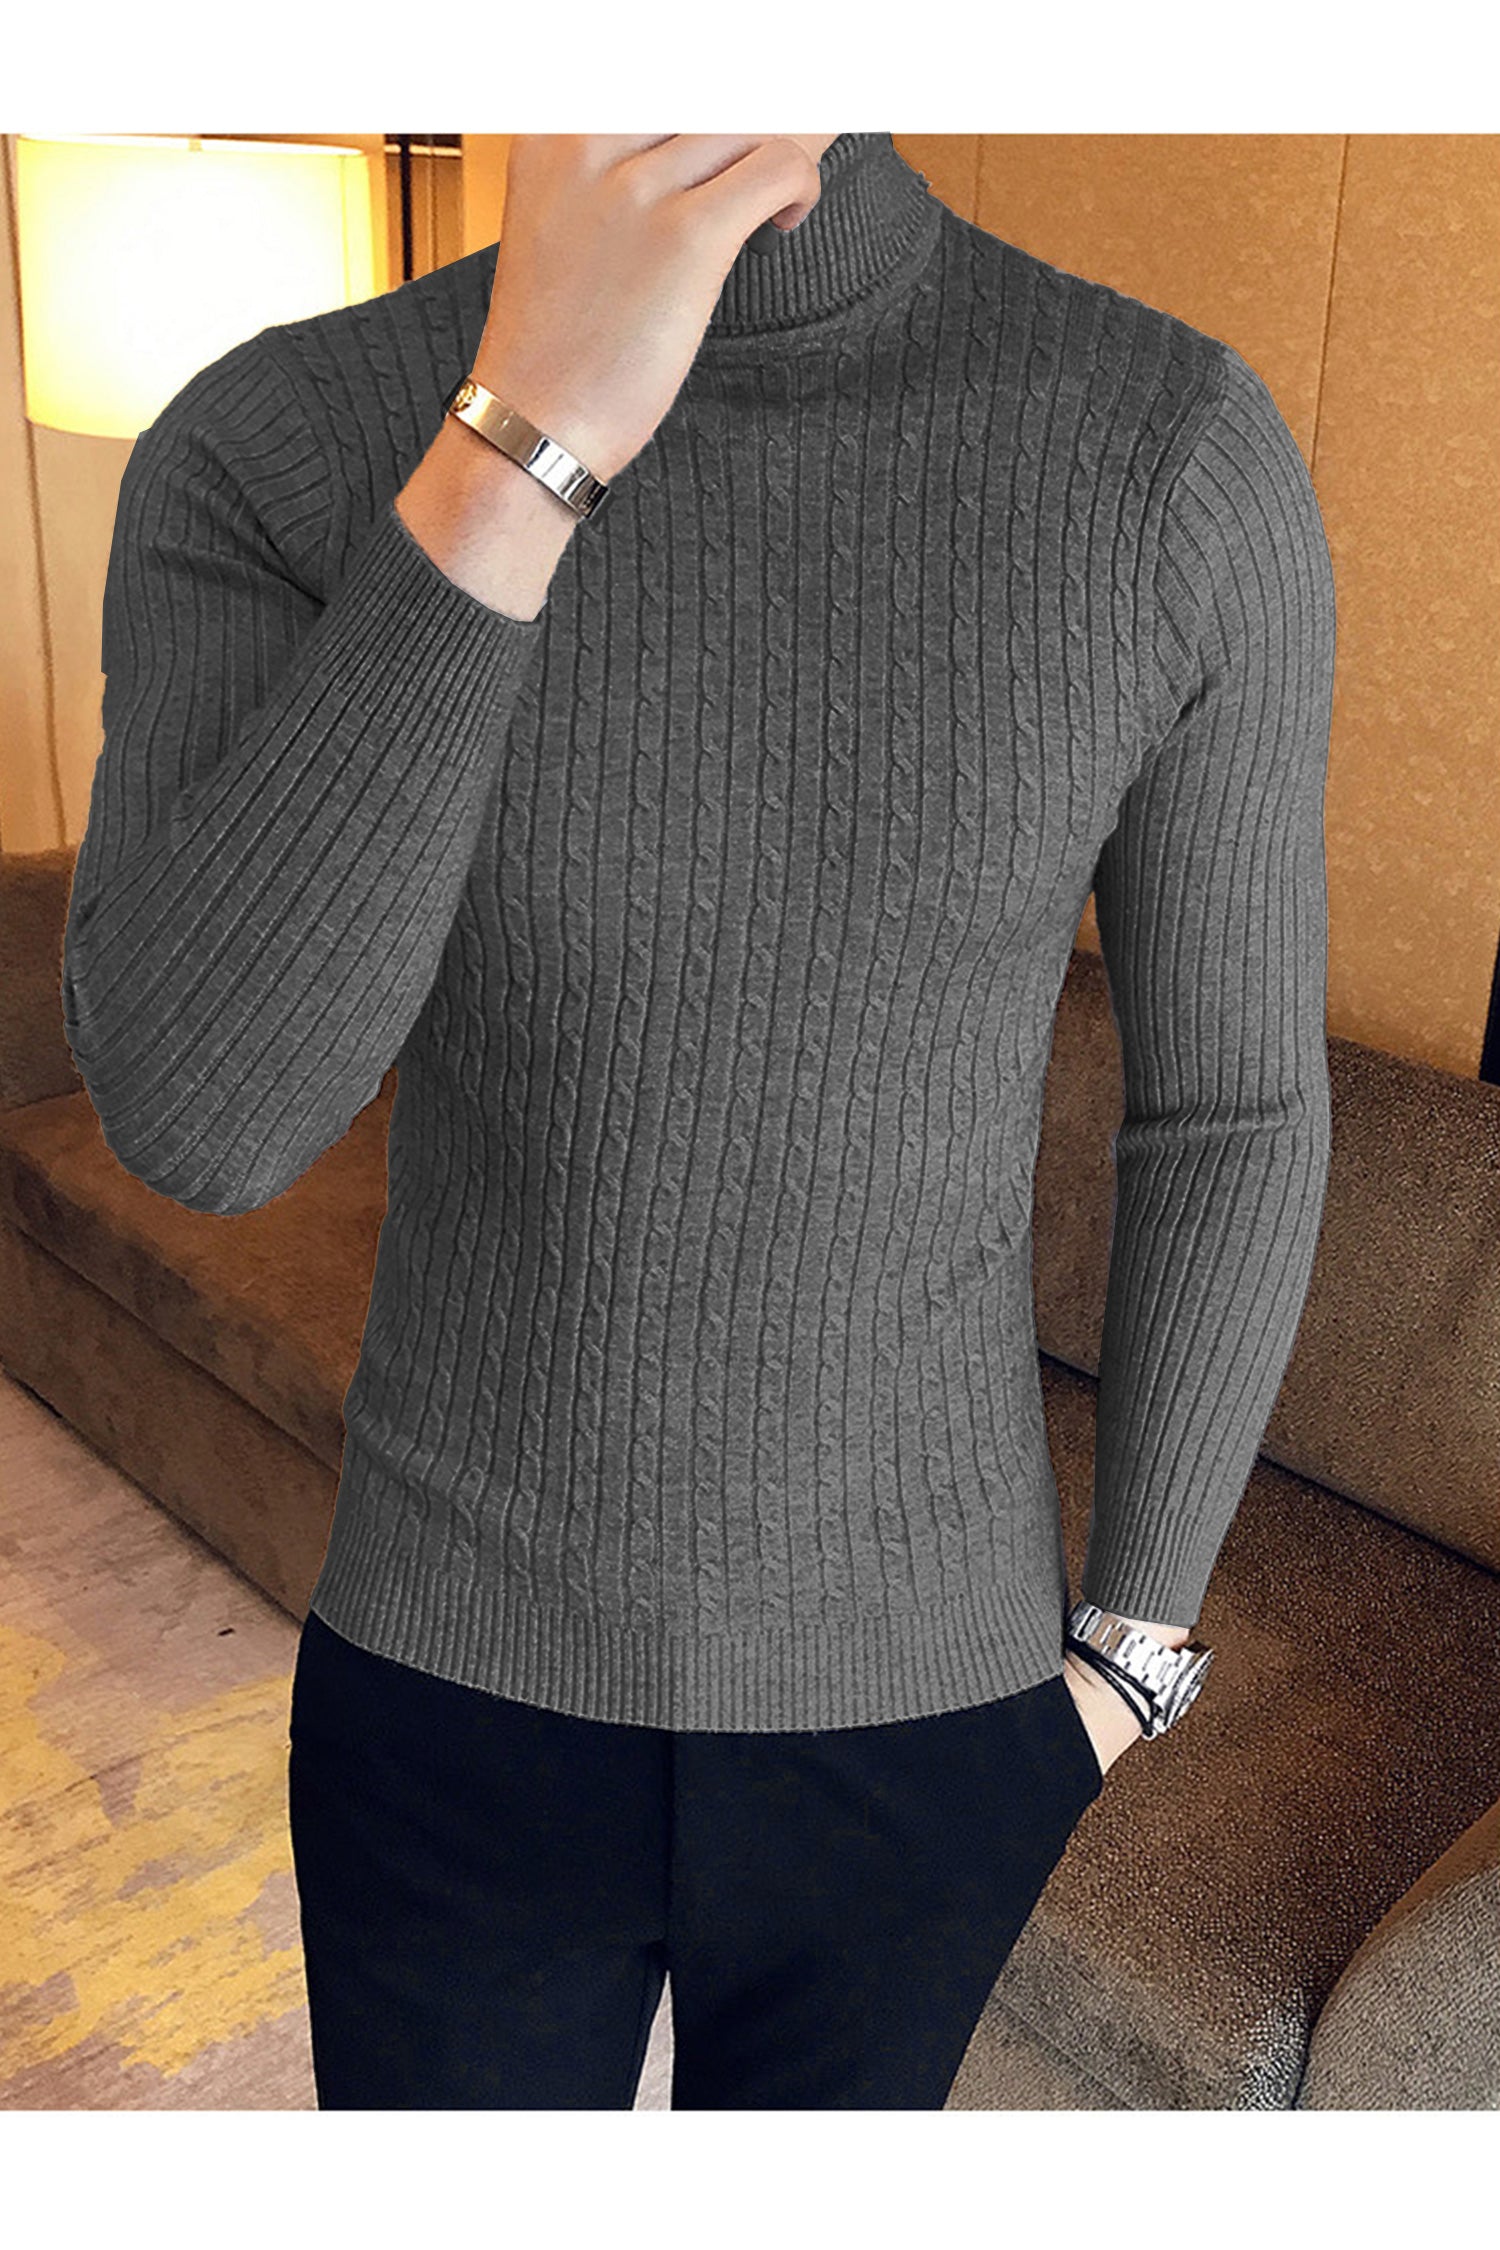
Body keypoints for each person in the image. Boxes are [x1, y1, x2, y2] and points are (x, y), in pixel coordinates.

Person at [61, 132, 1336, 2108]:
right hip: (454, 1684)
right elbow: (203, 1117)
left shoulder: (1168, 453)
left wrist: (1130, 1656)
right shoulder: (280, 445)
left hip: (930, 1710)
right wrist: (529, 438)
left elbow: (1229, 1111)